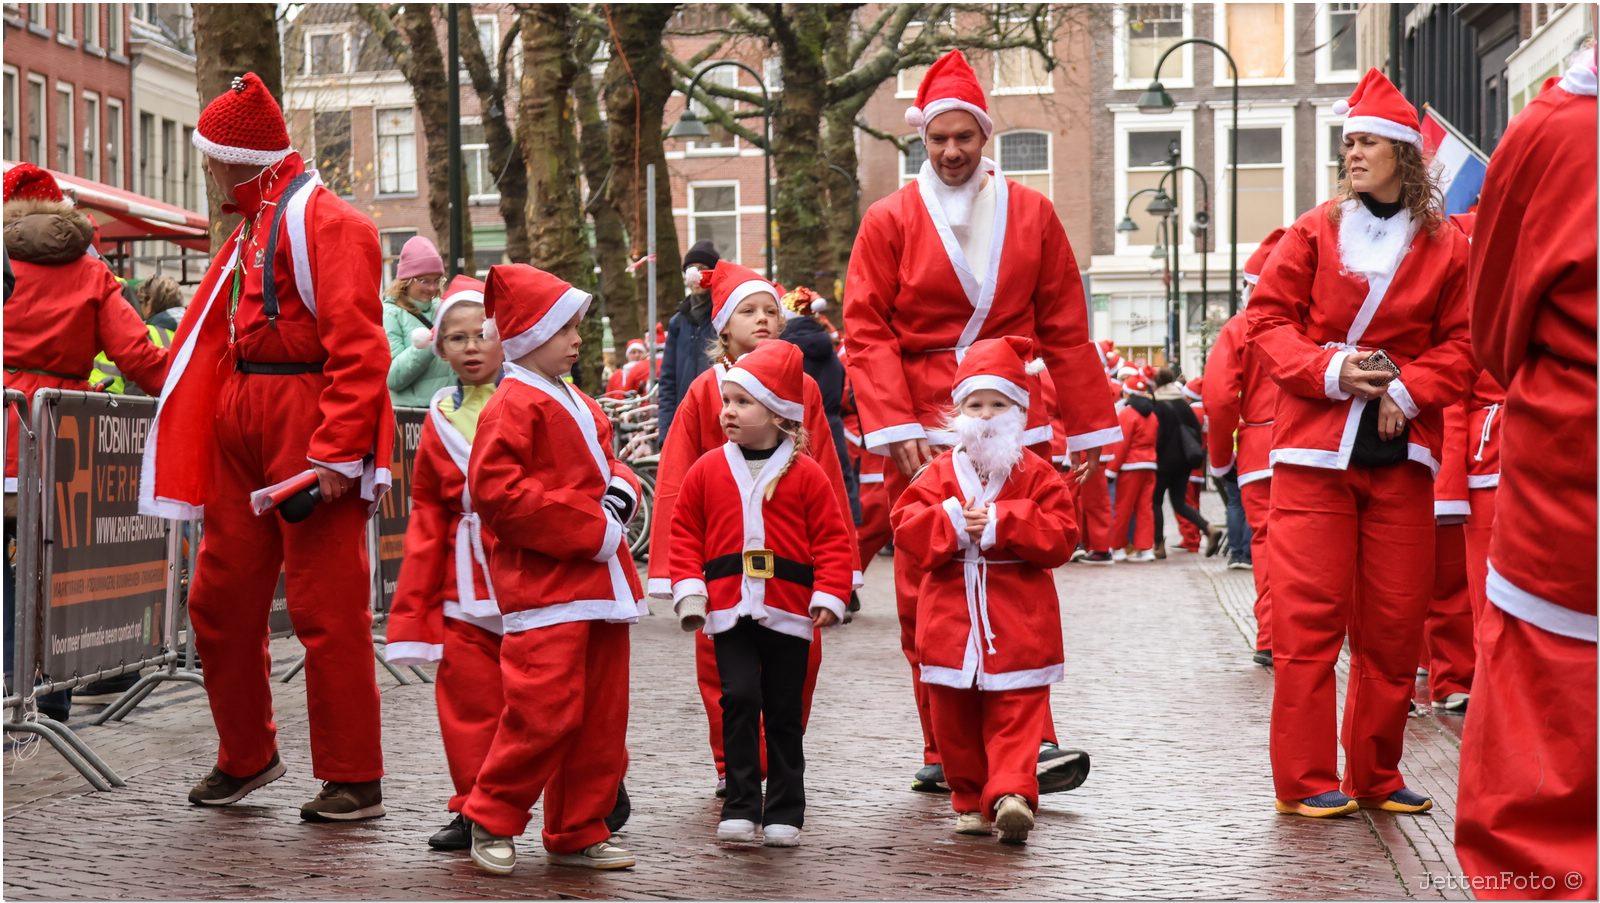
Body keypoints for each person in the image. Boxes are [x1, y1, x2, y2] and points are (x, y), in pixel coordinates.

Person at [843, 50, 1112, 794]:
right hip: (924, 416)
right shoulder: (888, 220)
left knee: (1020, 569)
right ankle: (944, 741)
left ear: (985, 137)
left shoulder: (1033, 214)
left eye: (966, 137)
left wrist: (1088, 427)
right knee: (923, 582)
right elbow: (865, 330)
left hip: (1009, 412)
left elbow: (1064, 324)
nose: (953, 151)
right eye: (939, 140)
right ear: (921, 140)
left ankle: (1031, 742)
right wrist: (897, 428)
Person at [139, 73, 394, 820]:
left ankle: (354, 774)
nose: (205, 168)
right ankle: (246, 754)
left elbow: (359, 349)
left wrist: (336, 453)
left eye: (209, 154)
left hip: (301, 419)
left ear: (233, 157)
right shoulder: (257, 218)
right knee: (216, 600)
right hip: (248, 417)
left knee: (327, 607)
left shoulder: (330, 222)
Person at [1246, 68, 1474, 818]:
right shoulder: (1313, 231)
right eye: (1347, 143)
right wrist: (1336, 370)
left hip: (1402, 459)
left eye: (1367, 142)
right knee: (1308, 620)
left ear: (1404, 154)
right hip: (1314, 455)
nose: (1352, 153)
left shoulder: (1447, 247)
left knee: (1395, 621)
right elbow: (1268, 324)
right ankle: (1306, 778)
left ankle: (1375, 774)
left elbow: (1466, 342)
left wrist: (1406, 392)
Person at [1456, 48, 1595, 896]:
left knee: (1548, 695)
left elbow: (1496, 322)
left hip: (1571, 456)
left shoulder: (1551, 132)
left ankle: (1542, 884)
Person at [645, 260, 857, 797]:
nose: (763, 318)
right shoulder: (702, 391)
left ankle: (781, 752)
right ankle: (732, 763)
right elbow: (676, 478)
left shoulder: (804, 387)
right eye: (748, 311)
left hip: (790, 552)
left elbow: (826, 473)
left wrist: (839, 571)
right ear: (722, 326)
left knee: (798, 658)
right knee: (721, 666)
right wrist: (677, 573)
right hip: (721, 556)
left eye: (770, 310)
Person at [460, 263, 643, 874]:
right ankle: (491, 814)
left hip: (594, 583)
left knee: (598, 716)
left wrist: (616, 500)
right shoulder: (511, 405)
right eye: (567, 328)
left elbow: (612, 468)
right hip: (548, 587)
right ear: (533, 333)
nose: (577, 339)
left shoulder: (575, 398)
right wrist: (596, 527)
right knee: (542, 711)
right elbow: (501, 496)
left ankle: (577, 827)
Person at [890, 336, 1078, 844]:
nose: (988, 415)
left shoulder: (1038, 475)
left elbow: (1063, 535)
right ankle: (970, 798)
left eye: (1000, 404)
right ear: (959, 412)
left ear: (1019, 411)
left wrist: (1003, 521)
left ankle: (1013, 793)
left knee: (1017, 709)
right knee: (953, 714)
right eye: (977, 405)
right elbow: (905, 528)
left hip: (1019, 617)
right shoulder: (936, 474)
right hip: (950, 616)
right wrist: (952, 521)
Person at [669, 340, 851, 847]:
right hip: (729, 611)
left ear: (777, 413)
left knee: (785, 711)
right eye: (726, 401)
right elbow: (684, 532)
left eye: (741, 402)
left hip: (790, 612)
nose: (727, 411)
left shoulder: (806, 472)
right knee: (740, 699)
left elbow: (834, 539)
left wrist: (830, 595)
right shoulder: (706, 469)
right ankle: (742, 802)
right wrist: (690, 592)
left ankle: (786, 808)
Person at [3, 162, 168, 723]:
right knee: (55, 568)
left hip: (6, 425)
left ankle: (9, 696)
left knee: (8, 571)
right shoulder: (91, 271)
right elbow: (141, 358)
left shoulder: (4, 264)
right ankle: (49, 700)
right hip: (63, 439)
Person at [379, 275, 508, 851]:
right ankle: (472, 807)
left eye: (482, 334)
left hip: (533, 577)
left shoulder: (537, 397)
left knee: (548, 699)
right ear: (441, 347)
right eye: (457, 339)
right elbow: (429, 510)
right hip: (464, 580)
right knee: (466, 699)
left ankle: (585, 796)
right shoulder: (438, 412)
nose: (471, 347)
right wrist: (417, 597)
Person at [1203, 229, 1287, 665]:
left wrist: (1221, 460)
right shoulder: (1314, 323)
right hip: (1316, 448)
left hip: (1258, 450)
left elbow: (1218, 398)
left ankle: (1272, 637)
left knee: (1270, 544)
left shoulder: (1240, 328)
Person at [779, 285, 859, 524]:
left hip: (795, 427)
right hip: (833, 425)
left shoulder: (784, 348)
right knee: (837, 482)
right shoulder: (829, 347)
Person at [1149, 369, 1221, 558]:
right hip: (1184, 462)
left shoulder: (1158, 405)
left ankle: (1159, 544)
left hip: (1163, 462)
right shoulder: (1183, 404)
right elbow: (1196, 431)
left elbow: (1158, 435)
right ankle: (1209, 528)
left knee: (1155, 501)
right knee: (1180, 502)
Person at [659, 239, 721, 438]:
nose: (696, 274)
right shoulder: (678, 322)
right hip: (685, 422)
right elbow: (668, 381)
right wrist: (666, 433)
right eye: (691, 269)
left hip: (718, 420)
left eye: (702, 268)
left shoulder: (723, 319)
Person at [384, 235, 453, 408]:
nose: (432, 288)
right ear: (406, 281)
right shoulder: (390, 315)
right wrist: (430, 343)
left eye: (437, 280)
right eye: (424, 281)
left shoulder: (445, 309)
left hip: (450, 410)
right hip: (413, 417)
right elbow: (392, 377)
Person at [1105, 375, 1157, 563]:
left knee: (1123, 507)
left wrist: (1111, 470)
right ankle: (1145, 548)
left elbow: (1121, 446)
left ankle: (1117, 546)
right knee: (1145, 507)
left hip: (1130, 466)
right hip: (1150, 464)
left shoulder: (1127, 414)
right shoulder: (1152, 415)